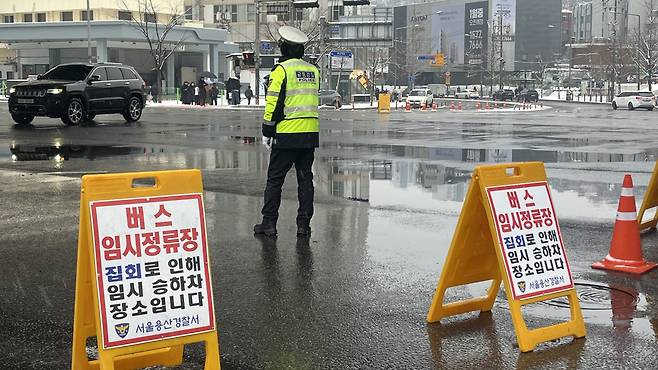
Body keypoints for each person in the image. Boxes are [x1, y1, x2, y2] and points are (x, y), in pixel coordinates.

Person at [254, 26, 320, 238]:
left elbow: (273, 103)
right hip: (310, 134)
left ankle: (269, 223)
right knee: (305, 180)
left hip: (287, 133)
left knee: (275, 179)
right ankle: (304, 225)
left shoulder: (281, 71)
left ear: (284, 48)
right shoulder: (312, 71)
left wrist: (267, 130)